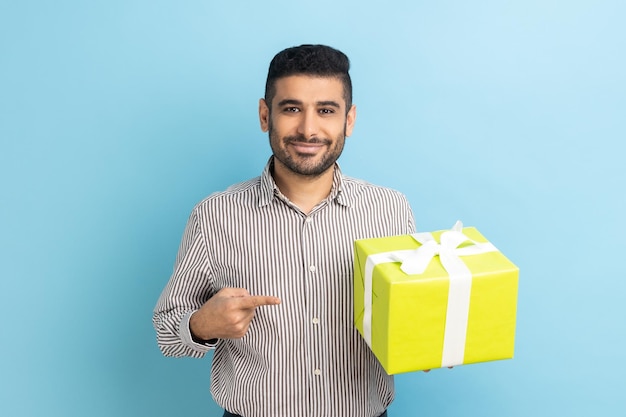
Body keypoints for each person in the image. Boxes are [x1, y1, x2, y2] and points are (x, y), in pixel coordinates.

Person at [153, 44, 415, 417]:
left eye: (326, 110)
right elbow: (167, 330)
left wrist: (432, 339)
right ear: (265, 115)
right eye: (291, 109)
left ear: (349, 120)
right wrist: (202, 324)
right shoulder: (214, 216)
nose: (308, 129)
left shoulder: (390, 210)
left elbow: (407, 316)